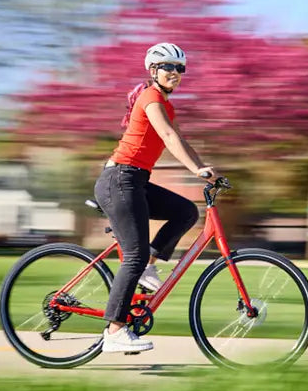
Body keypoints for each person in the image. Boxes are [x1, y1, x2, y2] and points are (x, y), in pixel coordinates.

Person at [94, 42, 220, 353]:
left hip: (135, 181)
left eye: (181, 69)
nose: (176, 73)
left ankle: (149, 264)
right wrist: (194, 170)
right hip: (119, 180)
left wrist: (205, 168)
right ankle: (114, 330)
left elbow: (180, 139)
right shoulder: (150, 97)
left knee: (185, 212)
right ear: (153, 70)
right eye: (169, 67)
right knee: (132, 258)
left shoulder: (165, 104)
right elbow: (168, 136)